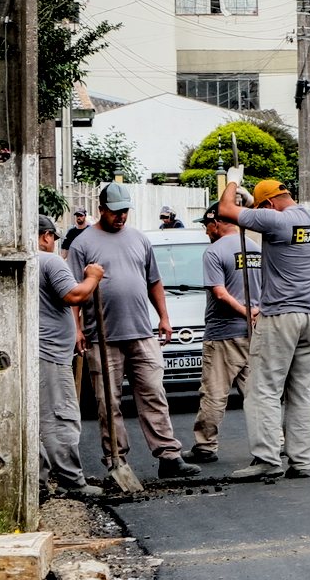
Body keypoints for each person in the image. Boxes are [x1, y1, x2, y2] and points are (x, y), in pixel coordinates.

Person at [68, 182, 202, 481]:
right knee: (109, 401)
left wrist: (164, 318)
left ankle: (169, 456)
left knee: (154, 393)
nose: (121, 217)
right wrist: (76, 329)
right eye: (115, 212)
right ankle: (117, 459)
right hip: (102, 336)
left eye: (125, 211)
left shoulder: (139, 240)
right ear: (101, 209)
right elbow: (74, 291)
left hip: (141, 332)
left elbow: (154, 281)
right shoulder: (82, 244)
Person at [216, 176, 310, 483]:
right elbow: (257, 217)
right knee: (302, 389)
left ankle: (266, 458)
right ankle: (302, 460)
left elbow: (225, 210)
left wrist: (233, 181)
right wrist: (253, 206)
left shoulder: (274, 221)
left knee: (263, 388)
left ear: (268, 205)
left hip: (280, 317)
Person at [189, 201, 260, 464]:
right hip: (254, 333)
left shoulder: (214, 252)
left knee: (214, 393)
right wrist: (255, 312)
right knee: (257, 394)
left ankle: (205, 446)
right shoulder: (253, 248)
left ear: (216, 223)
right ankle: (273, 443)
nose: (206, 231)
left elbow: (219, 293)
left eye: (207, 225)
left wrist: (243, 311)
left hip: (222, 335)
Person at [36, 215, 103, 492]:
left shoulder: (24, 261)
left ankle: (37, 482)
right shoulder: (49, 260)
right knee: (60, 417)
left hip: (37, 352)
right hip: (50, 353)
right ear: (47, 236)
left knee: (37, 420)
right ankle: (71, 481)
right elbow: (75, 295)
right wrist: (93, 277)